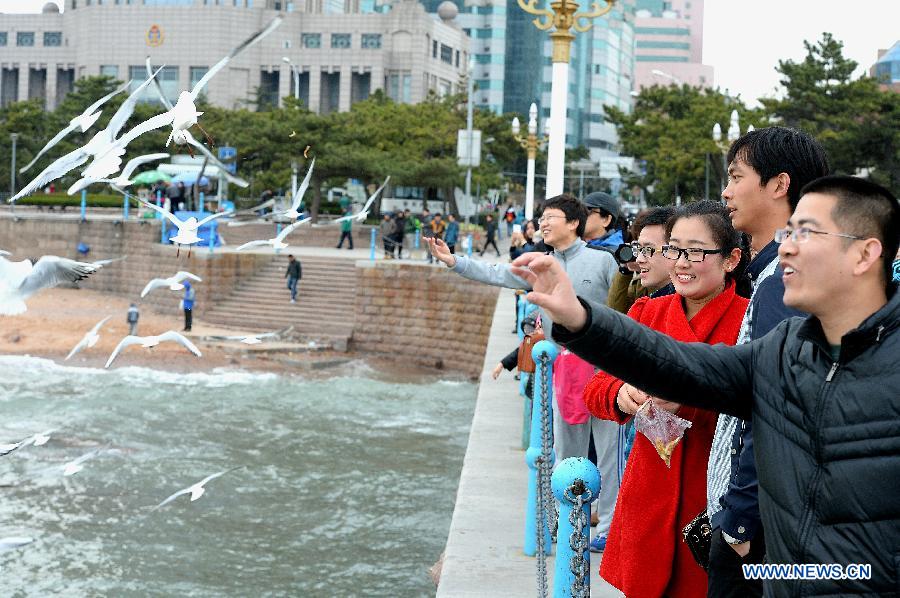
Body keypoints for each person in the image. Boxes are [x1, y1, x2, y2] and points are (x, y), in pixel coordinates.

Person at [511, 175, 900, 597]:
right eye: (789, 233)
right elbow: (679, 364)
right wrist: (580, 319)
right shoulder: (787, 348)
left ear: (865, 253)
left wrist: (737, 527)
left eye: (806, 233)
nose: (785, 247)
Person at [426, 193, 622, 546]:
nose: (543, 223)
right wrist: (454, 260)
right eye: (541, 218)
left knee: (609, 453)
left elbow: (624, 310)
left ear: (574, 223)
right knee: (567, 451)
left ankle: (608, 526)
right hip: (564, 370)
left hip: (605, 371)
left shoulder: (603, 262)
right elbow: (498, 273)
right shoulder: (540, 266)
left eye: (550, 217)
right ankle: (569, 522)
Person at [582, 201, 750, 594]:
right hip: (648, 496)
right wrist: (623, 395)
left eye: (696, 251)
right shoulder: (647, 313)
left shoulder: (750, 319)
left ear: (731, 259)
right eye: (673, 249)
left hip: (712, 499)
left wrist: (691, 396)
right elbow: (595, 389)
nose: (681, 263)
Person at [706, 126, 829, 598]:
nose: (726, 191)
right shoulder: (789, 270)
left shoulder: (784, 279)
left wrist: (738, 520)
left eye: (736, 176)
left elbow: (776, 408)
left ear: (779, 185)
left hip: (759, 527)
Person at [606, 207, 676, 314]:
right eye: (638, 248)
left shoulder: (693, 301)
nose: (638, 259)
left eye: (648, 249)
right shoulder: (640, 285)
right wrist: (625, 271)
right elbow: (615, 313)